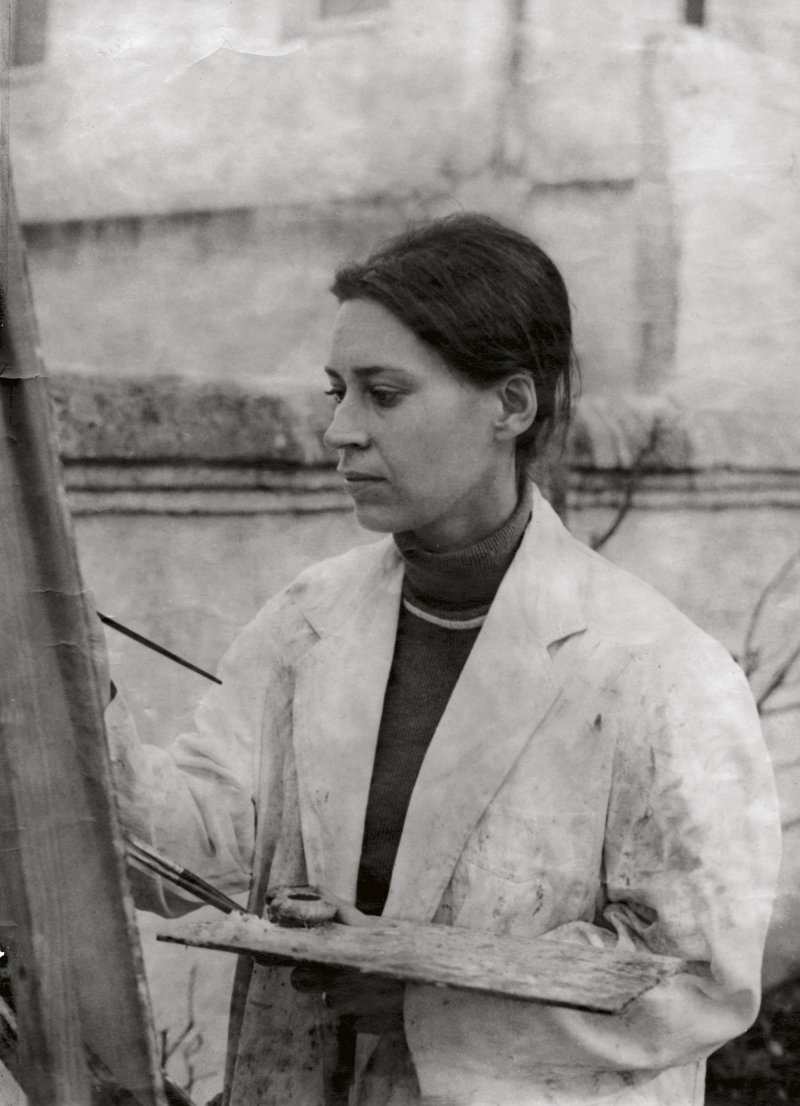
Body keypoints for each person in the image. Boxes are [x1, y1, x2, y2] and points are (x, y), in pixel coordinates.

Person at [106, 213, 780, 1106]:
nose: (339, 431)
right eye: (335, 391)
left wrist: (419, 995)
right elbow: (198, 846)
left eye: (383, 394)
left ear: (511, 404)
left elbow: (698, 979)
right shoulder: (308, 623)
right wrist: (79, 696)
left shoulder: (657, 669)